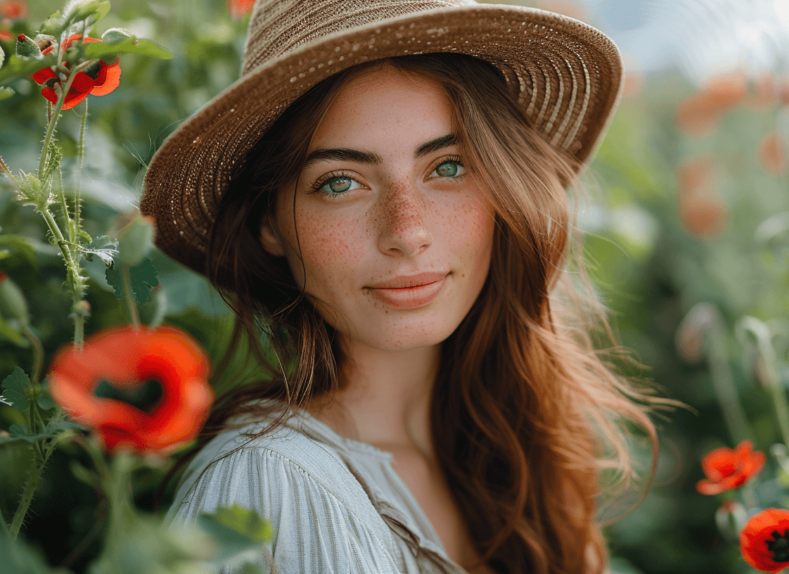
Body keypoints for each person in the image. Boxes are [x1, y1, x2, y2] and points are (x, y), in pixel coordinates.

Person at [142, 1, 685, 573]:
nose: (407, 232)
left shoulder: (512, 459)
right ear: (269, 223)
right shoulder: (265, 486)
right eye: (341, 182)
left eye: (447, 167)